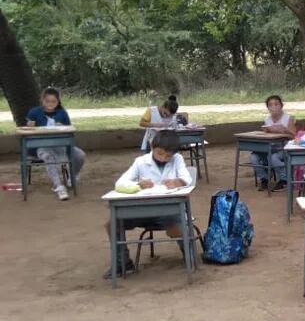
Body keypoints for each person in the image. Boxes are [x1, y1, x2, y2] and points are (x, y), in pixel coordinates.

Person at [104, 131, 193, 278]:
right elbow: (120, 183)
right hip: (141, 211)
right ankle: (122, 263)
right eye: (160, 154)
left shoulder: (177, 159)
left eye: (168, 156)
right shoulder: (140, 162)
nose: (164, 158)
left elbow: (187, 178)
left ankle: (189, 257)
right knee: (112, 224)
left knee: (178, 227)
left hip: (168, 211)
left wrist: (178, 182)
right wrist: (138, 184)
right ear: (152, 146)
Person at [24, 87, 88, 201]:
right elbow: (27, 130)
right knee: (49, 157)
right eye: (47, 101)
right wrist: (30, 126)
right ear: (42, 100)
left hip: (61, 145)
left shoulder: (62, 113)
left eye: (53, 101)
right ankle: (58, 186)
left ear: (58, 102)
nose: (50, 104)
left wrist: (62, 127)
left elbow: (70, 130)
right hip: (41, 146)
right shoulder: (34, 112)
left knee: (80, 155)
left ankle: (72, 177)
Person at [252, 94, 295, 191]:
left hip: (284, 148)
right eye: (270, 105)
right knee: (254, 157)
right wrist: (267, 131)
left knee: (273, 157)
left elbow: (294, 136)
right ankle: (264, 179)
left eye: (276, 104)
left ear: (281, 106)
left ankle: (284, 180)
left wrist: (283, 131)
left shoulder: (289, 118)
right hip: (270, 147)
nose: (273, 107)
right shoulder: (267, 120)